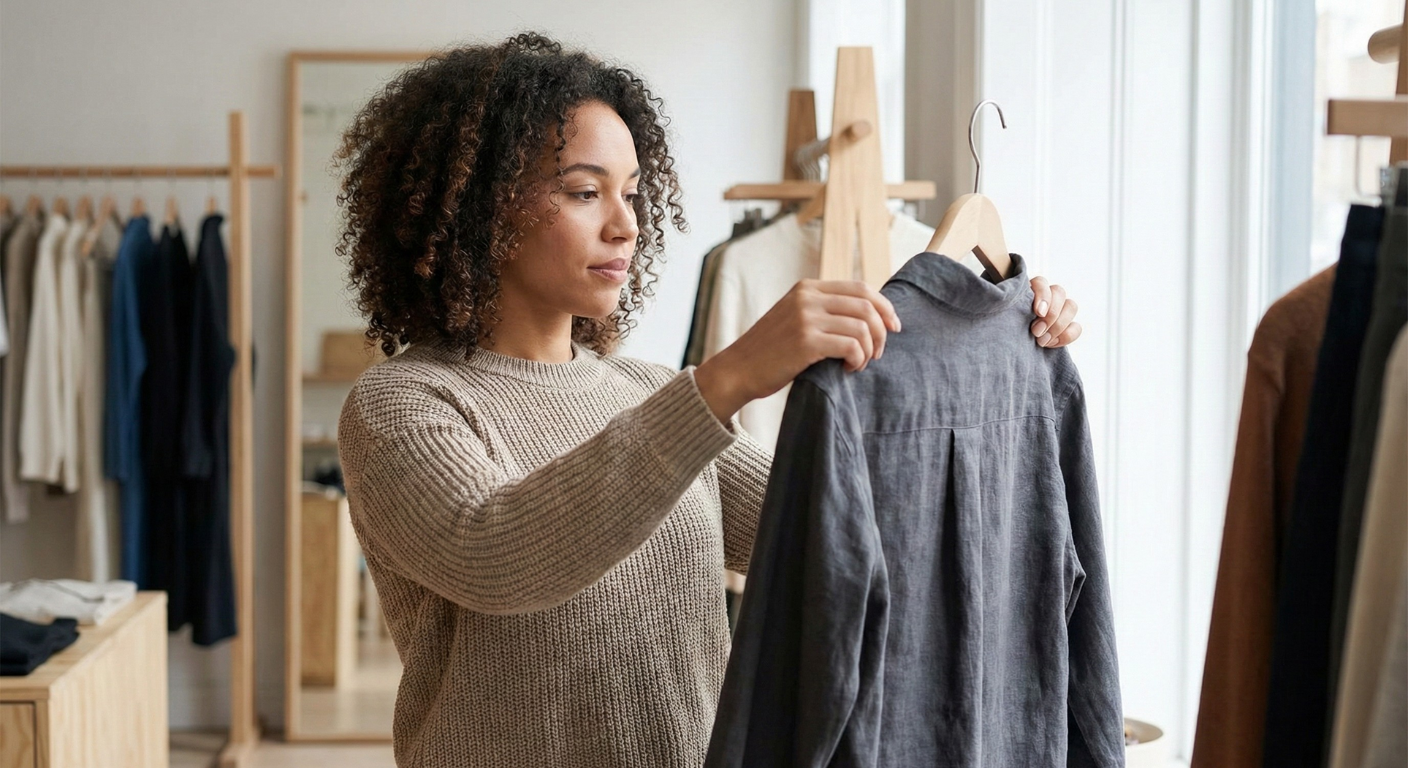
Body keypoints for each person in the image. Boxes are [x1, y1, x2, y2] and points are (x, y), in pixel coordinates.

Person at [333, 33, 1084, 768]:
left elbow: (852, 519)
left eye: (632, 193)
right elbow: (499, 555)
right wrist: (728, 379)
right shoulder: (402, 406)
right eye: (584, 192)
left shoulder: (644, 390)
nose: (626, 223)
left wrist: (998, 338)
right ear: (480, 208)